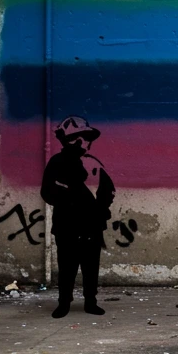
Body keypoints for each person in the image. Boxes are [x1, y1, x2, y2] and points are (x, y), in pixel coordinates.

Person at [41, 116, 115, 318]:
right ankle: (64, 302)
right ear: (66, 140)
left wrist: (100, 209)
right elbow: (47, 192)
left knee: (91, 267)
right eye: (77, 138)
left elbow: (108, 190)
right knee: (67, 267)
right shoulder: (57, 163)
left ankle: (90, 301)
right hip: (67, 225)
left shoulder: (94, 164)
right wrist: (69, 197)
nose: (83, 143)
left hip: (91, 226)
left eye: (86, 138)